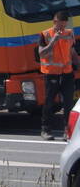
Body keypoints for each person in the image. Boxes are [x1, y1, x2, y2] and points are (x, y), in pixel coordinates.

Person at [37, 10, 80, 139]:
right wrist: (53, 41)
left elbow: (72, 53)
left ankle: (67, 131)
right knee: (49, 103)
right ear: (55, 22)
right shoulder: (45, 35)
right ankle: (46, 130)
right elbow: (42, 53)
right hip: (51, 75)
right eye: (61, 25)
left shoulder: (69, 33)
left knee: (68, 103)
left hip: (67, 73)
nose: (63, 28)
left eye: (64, 25)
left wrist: (78, 64)